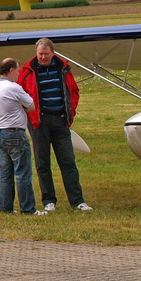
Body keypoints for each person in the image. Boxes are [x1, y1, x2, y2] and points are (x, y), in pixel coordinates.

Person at [18, 38, 93, 212]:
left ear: (53, 53)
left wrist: (70, 113)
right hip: (39, 122)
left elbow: (73, 91)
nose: (43, 57)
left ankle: (77, 200)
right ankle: (48, 200)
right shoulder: (28, 70)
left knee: (68, 161)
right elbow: (19, 93)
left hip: (60, 120)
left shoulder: (63, 68)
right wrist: (30, 116)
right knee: (42, 163)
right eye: (40, 54)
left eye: (46, 54)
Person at [0, 58, 45, 215]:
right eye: (18, 71)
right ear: (11, 70)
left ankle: (6, 208)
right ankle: (28, 208)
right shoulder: (14, 88)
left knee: (5, 173)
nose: (19, 74)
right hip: (15, 132)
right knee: (23, 172)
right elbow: (31, 105)